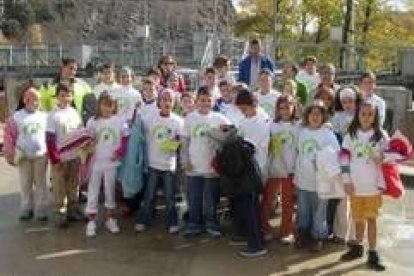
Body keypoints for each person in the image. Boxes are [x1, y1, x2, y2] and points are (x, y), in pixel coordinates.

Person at [340, 99, 388, 271]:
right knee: (358, 220)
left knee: (372, 220)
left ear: (375, 116)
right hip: (355, 188)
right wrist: (346, 181)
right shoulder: (350, 134)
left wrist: (383, 159)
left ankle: (373, 252)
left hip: (373, 188)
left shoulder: (381, 135)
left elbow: (390, 158)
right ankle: (358, 246)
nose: (366, 117)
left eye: (370, 114)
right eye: (363, 114)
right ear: (357, 115)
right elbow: (343, 158)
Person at [181, 86, 230, 237]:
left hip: (212, 169)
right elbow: (184, 142)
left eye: (209, 100)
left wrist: (225, 132)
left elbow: (230, 135)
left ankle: (211, 223)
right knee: (193, 198)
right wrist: (185, 160)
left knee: (211, 200)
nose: (205, 103)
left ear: (213, 101)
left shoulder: (220, 118)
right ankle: (194, 224)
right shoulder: (190, 118)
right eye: (202, 100)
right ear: (197, 101)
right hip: (193, 167)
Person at [294, 100, 340, 252]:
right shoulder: (302, 131)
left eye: (318, 114)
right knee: (303, 210)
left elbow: (336, 156)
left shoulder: (328, 134)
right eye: (312, 113)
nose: (315, 117)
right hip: (302, 181)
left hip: (321, 184)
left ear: (323, 116)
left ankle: (318, 237)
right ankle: (302, 234)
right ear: (307, 116)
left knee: (319, 212)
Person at [135, 89, 184, 234]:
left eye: (170, 100)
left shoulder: (178, 121)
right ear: (158, 102)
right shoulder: (149, 118)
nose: (167, 102)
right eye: (164, 99)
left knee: (170, 197)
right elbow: (137, 129)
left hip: (169, 165)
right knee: (149, 195)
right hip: (152, 164)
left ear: (174, 103)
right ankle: (144, 220)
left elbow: (182, 142)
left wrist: (177, 143)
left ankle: (172, 222)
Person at [85, 92, 129, 237]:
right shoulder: (92, 121)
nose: (107, 108)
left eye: (110, 105)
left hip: (111, 162)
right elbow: (87, 141)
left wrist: (119, 152)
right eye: (104, 104)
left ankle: (110, 218)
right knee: (93, 190)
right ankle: (91, 221)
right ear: (99, 105)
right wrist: (89, 146)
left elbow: (125, 139)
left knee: (110, 190)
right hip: (96, 163)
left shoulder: (120, 120)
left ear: (114, 106)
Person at [232, 88, 270, 258]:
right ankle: (247, 235)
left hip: (254, 170)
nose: (242, 112)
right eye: (240, 109)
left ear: (253, 104)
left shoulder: (261, 121)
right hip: (244, 170)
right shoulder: (247, 118)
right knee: (245, 205)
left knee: (251, 208)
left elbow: (249, 147)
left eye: (244, 109)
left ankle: (256, 244)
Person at [3, 85, 49, 221]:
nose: (35, 102)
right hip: (23, 157)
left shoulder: (45, 116)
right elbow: (9, 137)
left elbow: (50, 136)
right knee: (25, 183)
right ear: (25, 100)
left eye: (37, 99)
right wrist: (9, 154)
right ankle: (26, 208)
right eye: (32, 99)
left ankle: (41, 209)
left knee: (41, 183)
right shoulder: (16, 117)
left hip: (41, 155)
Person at [263, 95, 300, 243]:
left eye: (288, 107)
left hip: (290, 169)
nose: (285, 110)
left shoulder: (299, 125)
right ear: (277, 109)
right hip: (274, 168)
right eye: (282, 107)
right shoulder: (271, 124)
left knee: (288, 202)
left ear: (293, 107)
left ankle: (286, 231)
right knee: (268, 199)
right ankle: (263, 228)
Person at [46, 82, 83, 228]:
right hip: (60, 159)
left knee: (74, 185)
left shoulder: (74, 112)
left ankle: (73, 211)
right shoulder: (53, 115)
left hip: (74, 157)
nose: (65, 98)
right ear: (57, 96)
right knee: (59, 188)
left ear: (72, 96)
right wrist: (55, 159)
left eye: (68, 95)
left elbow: (80, 133)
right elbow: (50, 139)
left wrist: (82, 152)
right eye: (62, 95)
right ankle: (60, 214)